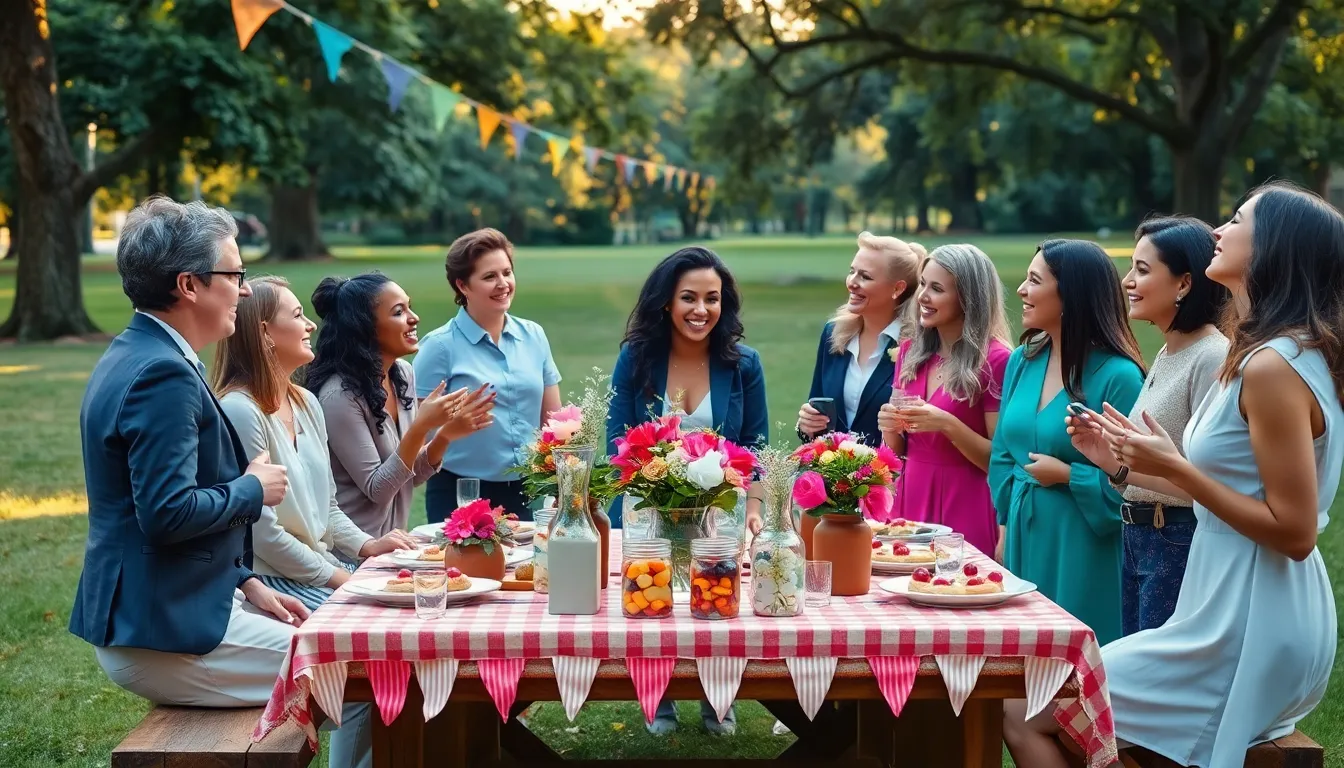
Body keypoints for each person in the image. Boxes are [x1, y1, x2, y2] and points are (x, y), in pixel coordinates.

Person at [1006, 183, 1344, 768]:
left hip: (1248, 620)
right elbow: (1233, 490)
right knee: (1040, 712)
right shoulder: (1273, 352)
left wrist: (1176, 469)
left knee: (1025, 711)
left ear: (1273, 250)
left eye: (1237, 220)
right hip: (1227, 607)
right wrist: (1136, 463)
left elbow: (1294, 532)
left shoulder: (1271, 365)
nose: (1218, 230)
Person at [69, 196, 369, 767]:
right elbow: (166, 513)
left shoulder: (141, 352)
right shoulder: (163, 373)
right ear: (190, 284)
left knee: (364, 660)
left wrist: (245, 581)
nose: (243, 288)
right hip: (163, 633)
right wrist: (253, 487)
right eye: (235, 274)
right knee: (363, 665)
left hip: (175, 609)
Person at [606, 245, 768, 736]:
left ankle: (717, 699)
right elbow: (619, 440)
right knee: (653, 598)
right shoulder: (636, 358)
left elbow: (755, 445)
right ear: (666, 304)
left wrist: (756, 512)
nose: (701, 310)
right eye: (689, 298)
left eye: (712, 299)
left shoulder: (744, 364)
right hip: (649, 506)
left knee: (715, 599)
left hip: (721, 508)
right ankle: (660, 698)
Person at [213, 276, 420, 611]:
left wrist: (369, 545)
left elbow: (329, 510)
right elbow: (264, 536)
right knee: (383, 620)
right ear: (265, 332)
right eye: (297, 316)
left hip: (320, 571)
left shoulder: (306, 402)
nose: (310, 325)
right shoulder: (241, 410)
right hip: (274, 580)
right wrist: (341, 578)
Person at [1065, 217, 1229, 635]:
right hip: (1140, 538)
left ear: (1184, 284)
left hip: (1177, 542)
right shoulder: (1169, 352)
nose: (1126, 282)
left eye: (1142, 269)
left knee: (1158, 687)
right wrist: (1112, 463)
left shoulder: (1211, 357)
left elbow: (1213, 488)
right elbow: (1163, 471)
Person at [988, 239, 1145, 646]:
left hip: (1083, 543)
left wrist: (1068, 476)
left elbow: (1138, 486)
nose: (1021, 290)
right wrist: (1004, 524)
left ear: (1070, 295)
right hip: (1024, 531)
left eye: (1034, 280)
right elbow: (1004, 451)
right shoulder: (1024, 360)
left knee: (1072, 662)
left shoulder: (1119, 377)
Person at [307, 272, 495, 538]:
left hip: (394, 544)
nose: (414, 317)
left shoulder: (402, 374)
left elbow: (408, 475)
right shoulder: (339, 396)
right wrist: (421, 426)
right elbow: (379, 489)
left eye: (409, 307)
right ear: (365, 327)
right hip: (354, 553)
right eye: (398, 312)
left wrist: (446, 434)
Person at [412, 228, 562, 521]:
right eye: (489, 276)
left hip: (527, 492)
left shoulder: (534, 335)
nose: (503, 284)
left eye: (507, 272)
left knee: (531, 568)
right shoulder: (439, 346)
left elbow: (553, 421)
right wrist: (450, 428)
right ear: (462, 286)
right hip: (460, 493)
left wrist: (560, 483)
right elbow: (414, 430)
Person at [877, 244, 1013, 556]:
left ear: (968, 297)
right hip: (911, 497)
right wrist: (888, 427)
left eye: (936, 288)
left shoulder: (996, 359)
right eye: (923, 283)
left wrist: (947, 424)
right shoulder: (911, 353)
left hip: (968, 499)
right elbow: (897, 451)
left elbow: (999, 460)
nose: (922, 296)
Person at [796, 231, 924, 445]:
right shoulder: (833, 334)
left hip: (892, 476)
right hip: (831, 474)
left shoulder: (919, 347)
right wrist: (806, 426)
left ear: (898, 288)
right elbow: (817, 413)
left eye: (865, 277)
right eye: (852, 272)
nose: (851, 283)